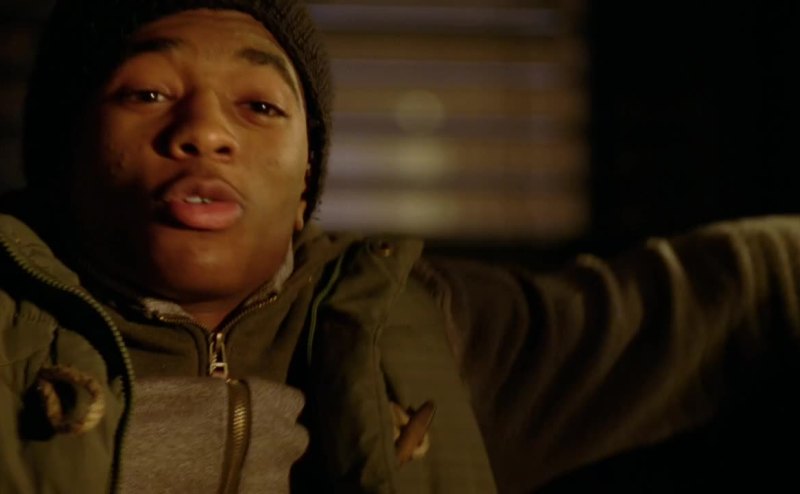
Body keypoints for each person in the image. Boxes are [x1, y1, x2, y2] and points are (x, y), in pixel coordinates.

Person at [2, 0, 800, 492]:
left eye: (261, 106)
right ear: (62, 159)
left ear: (306, 184)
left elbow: (744, 288)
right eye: (147, 92)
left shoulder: (415, 330)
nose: (206, 131)